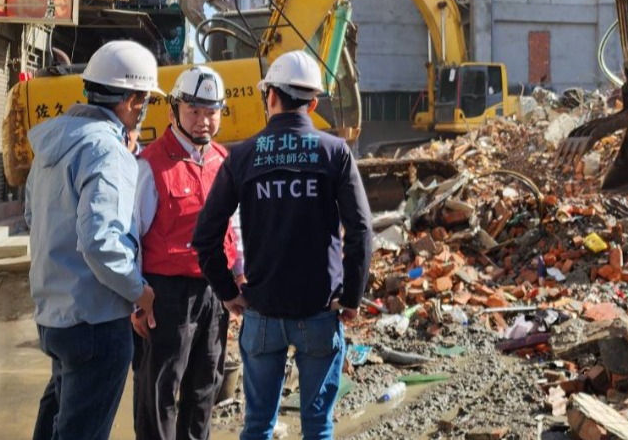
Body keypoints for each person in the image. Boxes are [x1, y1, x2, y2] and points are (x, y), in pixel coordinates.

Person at [192, 50, 373, 440]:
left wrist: (227, 291)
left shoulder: (241, 155)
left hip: (261, 313)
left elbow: (205, 235)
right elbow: (360, 231)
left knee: (257, 426)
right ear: (313, 103)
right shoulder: (335, 152)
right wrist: (353, 297)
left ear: (270, 96)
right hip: (319, 312)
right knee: (318, 426)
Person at [26, 40, 161, 440]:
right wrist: (139, 291)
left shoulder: (56, 140)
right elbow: (102, 241)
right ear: (133, 101)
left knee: (57, 422)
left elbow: (32, 216)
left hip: (55, 315)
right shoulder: (107, 149)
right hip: (96, 321)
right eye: (144, 100)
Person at [132, 66, 241, 440]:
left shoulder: (223, 161)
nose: (203, 121)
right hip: (166, 295)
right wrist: (136, 298)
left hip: (213, 292)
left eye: (211, 112)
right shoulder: (151, 164)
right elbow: (130, 236)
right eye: (194, 111)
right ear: (174, 110)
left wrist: (237, 277)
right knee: (158, 390)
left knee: (204, 387)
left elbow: (234, 228)